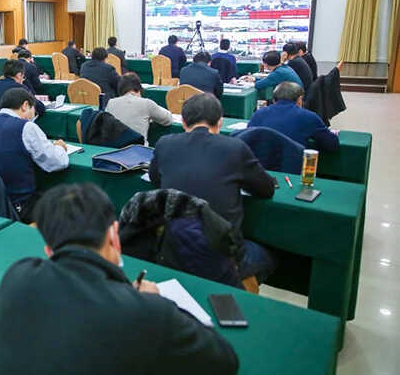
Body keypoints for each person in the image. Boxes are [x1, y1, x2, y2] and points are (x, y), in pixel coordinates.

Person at [0, 183, 239, 375]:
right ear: (113, 236)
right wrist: (158, 302)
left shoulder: (16, 277)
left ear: (49, 249)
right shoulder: (149, 313)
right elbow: (225, 361)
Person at [149, 93, 277, 282]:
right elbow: (266, 189)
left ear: (183, 122)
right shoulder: (235, 147)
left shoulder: (164, 144)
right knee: (269, 255)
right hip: (220, 257)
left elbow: (155, 179)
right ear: (220, 122)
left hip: (172, 251)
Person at [0, 88, 68, 222]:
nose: (33, 116)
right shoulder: (26, 127)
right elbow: (57, 162)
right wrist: (59, 148)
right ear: (25, 105)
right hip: (18, 206)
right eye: (33, 111)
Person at [248, 82, 340, 151]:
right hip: (292, 167)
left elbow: (247, 139)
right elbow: (332, 145)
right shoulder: (309, 117)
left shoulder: (258, 114)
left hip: (259, 166)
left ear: (274, 100)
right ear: (299, 100)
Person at [106, 73, 172, 142]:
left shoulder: (110, 103)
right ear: (139, 88)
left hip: (115, 147)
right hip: (138, 147)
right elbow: (168, 119)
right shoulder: (146, 103)